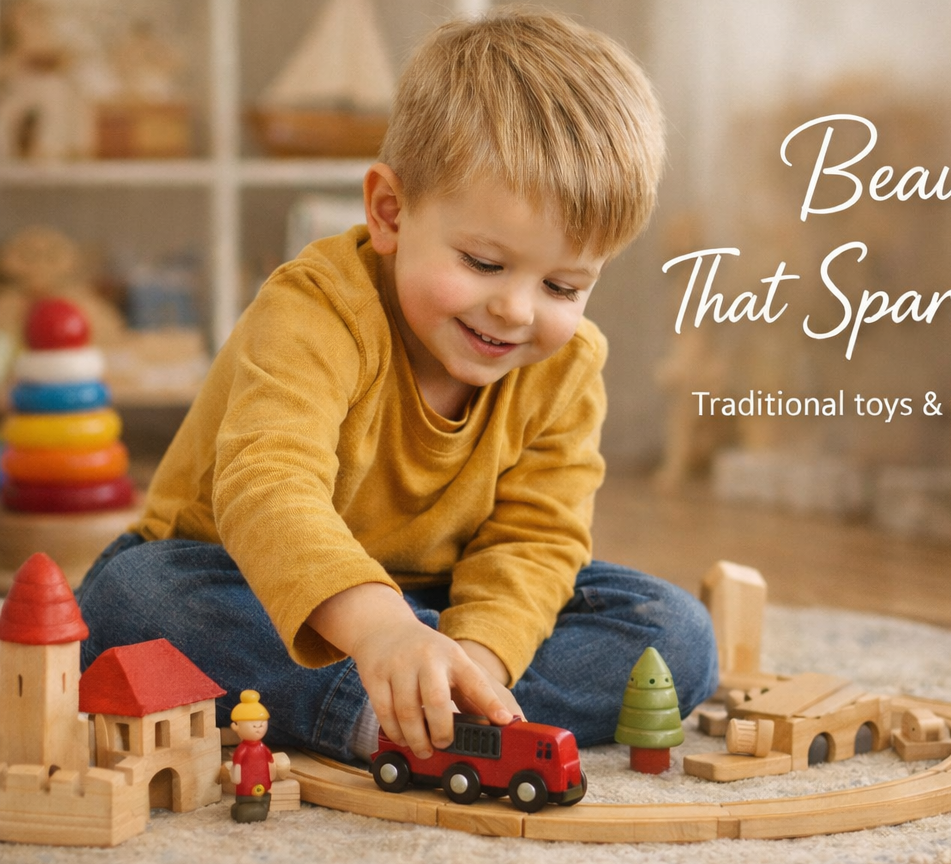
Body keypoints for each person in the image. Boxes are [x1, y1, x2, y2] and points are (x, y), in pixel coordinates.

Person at [77, 7, 717, 764]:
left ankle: (446, 712)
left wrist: (480, 657)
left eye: (563, 285)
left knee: (673, 632)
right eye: (483, 264)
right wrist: (380, 631)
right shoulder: (317, 308)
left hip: (438, 600)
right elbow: (267, 486)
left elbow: (536, 540)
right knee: (132, 603)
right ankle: (388, 715)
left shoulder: (568, 364)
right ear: (389, 211)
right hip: (244, 576)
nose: (516, 309)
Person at [228, 690, 276, 823]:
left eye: (261, 724)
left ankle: (257, 807)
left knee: (262, 795)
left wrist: (272, 774)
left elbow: (270, 762)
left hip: (263, 781)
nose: (258, 728)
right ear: (235, 726)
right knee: (246, 801)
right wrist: (236, 777)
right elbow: (237, 764)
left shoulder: (263, 748)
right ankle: (245, 806)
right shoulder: (242, 750)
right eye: (254, 725)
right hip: (246, 785)